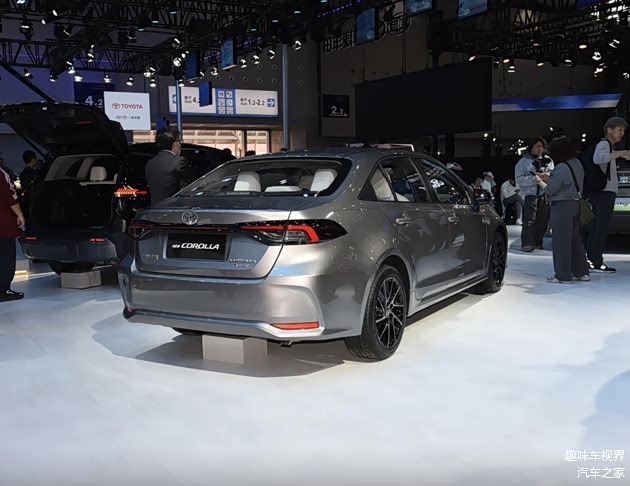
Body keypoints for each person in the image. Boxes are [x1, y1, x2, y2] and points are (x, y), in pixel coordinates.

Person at [537, 136, 589, 284]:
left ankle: (563, 275)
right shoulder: (577, 163)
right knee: (575, 241)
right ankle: (582, 273)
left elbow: (550, 190)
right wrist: (550, 177)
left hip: (561, 207)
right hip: (576, 204)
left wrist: (539, 181)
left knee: (561, 242)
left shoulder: (560, 167)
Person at [583, 117, 630, 273]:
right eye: (619, 129)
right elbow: (598, 159)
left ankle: (592, 259)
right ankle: (596, 262)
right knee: (601, 229)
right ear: (609, 130)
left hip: (601, 192)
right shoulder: (604, 144)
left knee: (597, 228)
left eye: (623, 130)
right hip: (604, 192)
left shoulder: (607, 145)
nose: (622, 133)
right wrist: (620, 153)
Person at [516, 137, 553, 252]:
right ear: (531, 147)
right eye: (538, 146)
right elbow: (519, 179)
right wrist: (533, 179)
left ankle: (538, 242)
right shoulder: (523, 162)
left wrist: (546, 176)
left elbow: (553, 174)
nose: (540, 149)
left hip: (544, 192)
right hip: (530, 194)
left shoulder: (548, 160)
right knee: (529, 220)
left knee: (543, 219)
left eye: (542, 147)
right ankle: (527, 243)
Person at [0, 165, 25, 301]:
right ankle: (3, 290)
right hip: (3, 223)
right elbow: (8, 195)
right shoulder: (1, 174)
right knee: (6, 257)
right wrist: (19, 214)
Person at [145, 127, 185, 205]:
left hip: (155, 208)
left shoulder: (149, 163)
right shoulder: (180, 161)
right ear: (175, 144)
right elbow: (186, 189)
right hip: (175, 208)